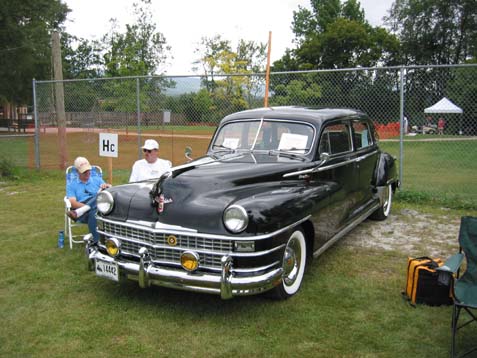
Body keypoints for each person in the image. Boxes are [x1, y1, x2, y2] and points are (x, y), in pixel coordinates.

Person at [66, 156, 111, 243]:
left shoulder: (97, 180)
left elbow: (109, 192)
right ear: (77, 172)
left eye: (88, 170)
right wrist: (91, 206)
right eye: (84, 171)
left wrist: (107, 186)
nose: (87, 173)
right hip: (83, 208)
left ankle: (96, 242)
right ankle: (98, 241)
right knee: (94, 211)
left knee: (99, 199)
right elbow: (72, 202)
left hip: (84, 210)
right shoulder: (72, 185)